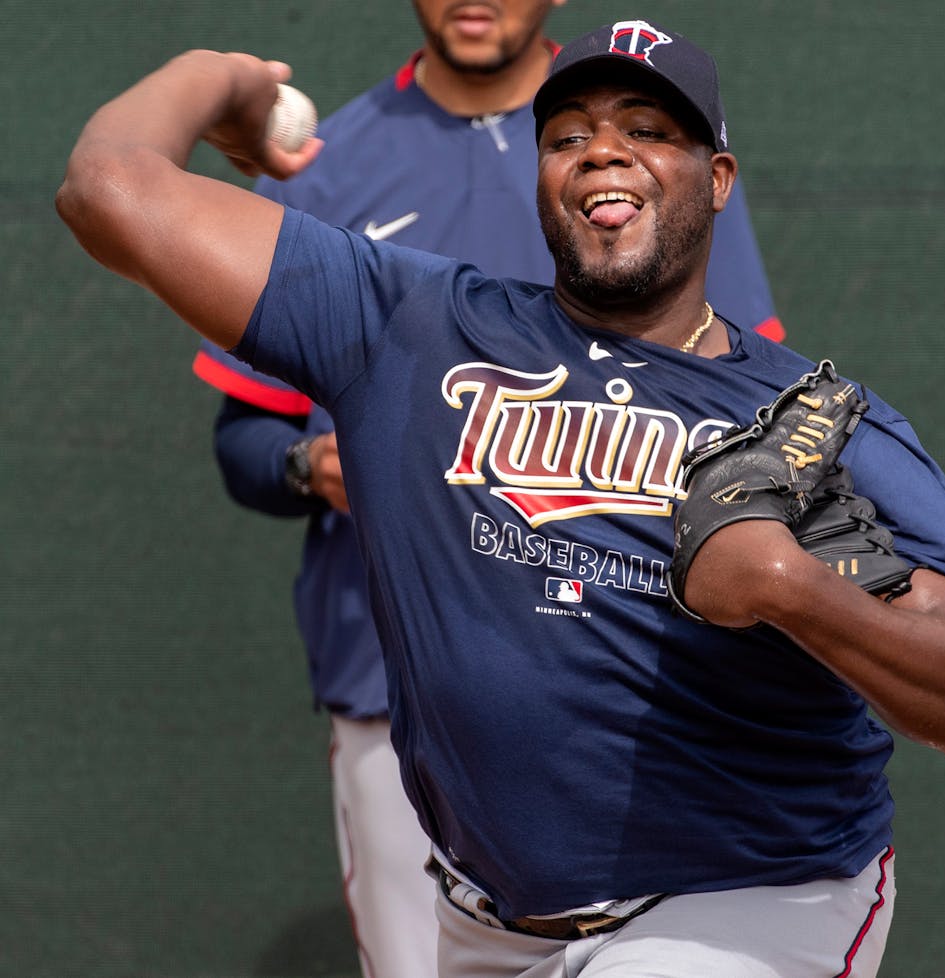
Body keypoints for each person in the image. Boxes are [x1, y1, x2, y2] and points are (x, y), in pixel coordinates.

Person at [57, 17, 945, 978]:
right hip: (485, 921)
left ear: (717, 180)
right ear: (542, 181)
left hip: (749, 902)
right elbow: (108, 190)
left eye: (648, 130)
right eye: (568, 135)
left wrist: (791, 587)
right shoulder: (409, 324)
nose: (605, 151)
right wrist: (218, 77)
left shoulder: (809, 423)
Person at [188, 4, 784, 975]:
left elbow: (739, 387)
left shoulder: (640, 155)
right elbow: (245, 439)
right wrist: (308, 466)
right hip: (395, 680)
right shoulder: (323, 161)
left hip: (630, 681)